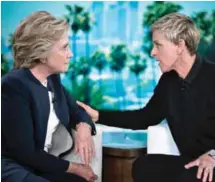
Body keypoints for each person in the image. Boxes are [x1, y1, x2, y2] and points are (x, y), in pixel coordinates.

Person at [77, 13, 215, 182]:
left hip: (211, 164)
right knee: (144, 165)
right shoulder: (169, 81)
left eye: (158, 45)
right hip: (192, 163)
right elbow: (143, 117)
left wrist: (212, 155)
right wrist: (98, 116)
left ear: (180, 45)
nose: (152, 52)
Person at [2, 11, 98, 182]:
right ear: (42, 53)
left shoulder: (52, 79)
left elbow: (76, 110)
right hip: (13, 168)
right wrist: (74, 168)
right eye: (64, 47)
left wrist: (84, 126)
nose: (70, 54)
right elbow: (25, 152)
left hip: (38, 167)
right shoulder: (13, 86)